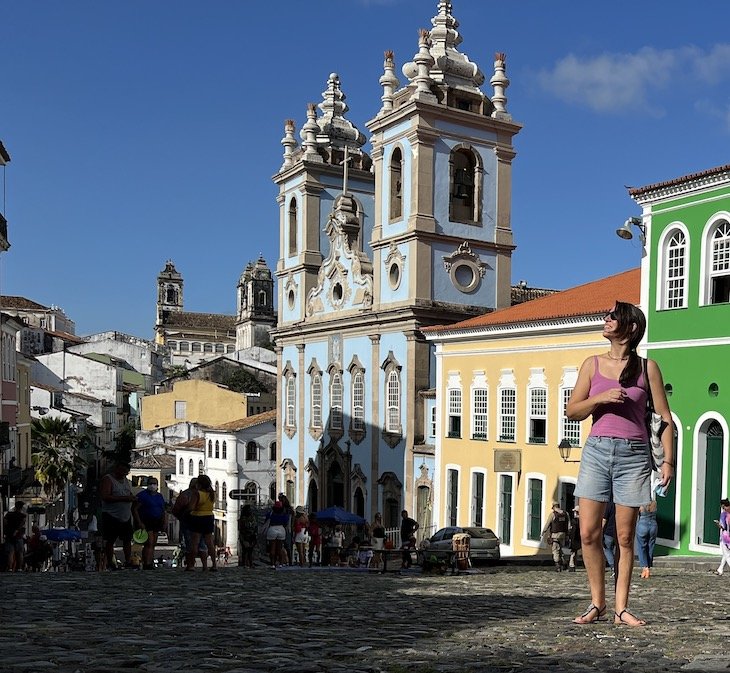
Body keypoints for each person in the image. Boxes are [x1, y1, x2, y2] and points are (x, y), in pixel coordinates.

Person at [567, 301, 674, 626]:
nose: (606, 319)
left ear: (629, 327)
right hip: (597, 452)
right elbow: (573, 411)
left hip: (633, 455)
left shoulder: (647, 368)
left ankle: (621, 608)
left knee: (626, 537)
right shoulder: (592, 364)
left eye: (613, 316)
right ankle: (597, 602)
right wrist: (600, 399)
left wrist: (668, 460)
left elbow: (664, 418)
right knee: (588, 533)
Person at [99, 462, 137, 569]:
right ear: (116, 469)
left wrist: (132, 498)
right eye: (122, 471)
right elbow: (105, 496)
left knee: (127, 539)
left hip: (125, 515)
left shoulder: (125, 480)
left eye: (126, 472)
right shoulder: (108, 479)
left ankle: (128, 561)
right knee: (110, 540)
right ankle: (110, 562)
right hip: (111, 515)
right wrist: (125, 499)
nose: (124, 474)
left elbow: (128, 493)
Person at [172, 477, 209, 570]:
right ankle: (205, 566)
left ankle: (190, 565)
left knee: (190, 544)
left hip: (188, 522)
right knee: (202, 544)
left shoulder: (185, 495)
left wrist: (181, 517)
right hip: (203, 521)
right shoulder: (204, 494)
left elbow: (176, 509)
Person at [135, 478, 168, 570]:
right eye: (151, 483)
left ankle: (149, 561)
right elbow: (135, 509)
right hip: (146, 521)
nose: (153, 485)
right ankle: (147, 563)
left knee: (153, 543)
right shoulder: (142, 496)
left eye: (155, 483)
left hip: (157, 521)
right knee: (149, 542)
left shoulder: (159, 496)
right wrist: (139, 522)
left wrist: (164, 522)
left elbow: (163, 510)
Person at [186, 474, 217, 571]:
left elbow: (191, 507)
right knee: (210, 543)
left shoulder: (197, 493)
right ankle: (214, 565)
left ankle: (191, 565)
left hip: (197, 517)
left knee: (195, 543)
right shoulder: (212, 493)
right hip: (209, 517)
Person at [541, 502, 570, 572]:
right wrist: (567, 535)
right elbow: (569, 525)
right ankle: (564, 563)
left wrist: (543, 532)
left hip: (555, 535)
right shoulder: (566, 514)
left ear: (554, 507)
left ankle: (558, 565)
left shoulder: (553, 515)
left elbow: (547, 524)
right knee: (560, 549)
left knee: (555, 550)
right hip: (563, 534)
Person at [635, 499, 658, 579]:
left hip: (643, 524)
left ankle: (645, 567)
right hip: (653, 525)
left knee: (642, 547)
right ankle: (647, 567)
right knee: (650, 547)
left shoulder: (641, 503)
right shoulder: (654, 503)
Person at [3, 501, 27, 572]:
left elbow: (5, 522)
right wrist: (17, 530)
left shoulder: (9, 514)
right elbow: (22, 524)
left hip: (9, 535)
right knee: (20, 552)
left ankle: (10, 568)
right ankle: (19, 568)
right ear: (21, 507)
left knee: (10, 552)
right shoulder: (23, 516)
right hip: (18, 536)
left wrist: (8, 530)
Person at [265, 500, 289, 569]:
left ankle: (272, 564)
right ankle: (281, 563)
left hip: (272, 528)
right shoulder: (284, 515)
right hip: (281, 529)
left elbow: (266, 520)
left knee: (272, 548)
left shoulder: (271, 514)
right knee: (280, 548)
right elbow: (286, 522)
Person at [238, 504, 258, 568]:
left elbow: (255, 526)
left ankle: (249, 563)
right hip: (245, 536)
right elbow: (242, 529)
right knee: (246, 550)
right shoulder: (243, 519)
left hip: (251, 536)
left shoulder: (252, 517)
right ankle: (246, 563)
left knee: (249, 551)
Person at [714, 499, 730, 576]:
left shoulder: (724, 514)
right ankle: (720, 569)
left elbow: (723, 527)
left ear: (723, 505)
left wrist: (718, 524)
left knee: (727, 555)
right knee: (725, 554)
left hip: (725, 536)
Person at [602, 501, 616, 575]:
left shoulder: (609, 505)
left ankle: (613, 567)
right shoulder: (621, 505)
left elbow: (604, 520)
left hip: (609, 531)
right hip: (619, 532)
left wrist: (601, 531)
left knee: (607, 549)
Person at [567, 506, 582, 572]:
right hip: (580, 538)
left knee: (573, 553)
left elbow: (573, 531)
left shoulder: (574, 521)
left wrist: (570, 538)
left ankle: (572, 565)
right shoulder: (583, 520)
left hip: (575, 539)